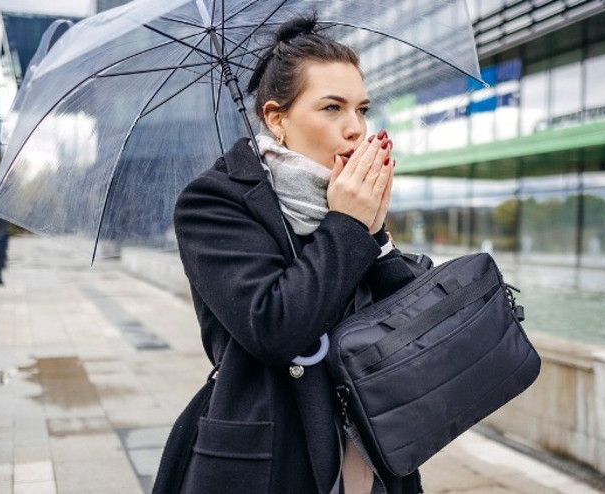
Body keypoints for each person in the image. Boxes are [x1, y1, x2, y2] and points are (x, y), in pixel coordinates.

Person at [155, 14, 427, 494]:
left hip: (375, 453)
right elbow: (274, 326)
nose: (356, 129)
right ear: (277, 118)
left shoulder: (349, 200)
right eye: (331, 108)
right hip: (269, 459)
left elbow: (408, 323)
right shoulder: (214, 202)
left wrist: (378, 235)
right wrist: (346, 226)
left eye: (361, 109)